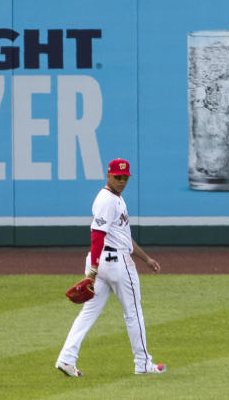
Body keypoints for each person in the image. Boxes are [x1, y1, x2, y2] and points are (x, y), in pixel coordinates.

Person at [56, 158, 167, 378]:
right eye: (118, 177)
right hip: (114, 266)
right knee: (134, 313)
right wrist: (93, 271)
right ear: (108, 175)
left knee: (88, 313)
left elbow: (123, 238)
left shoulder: (114, 199)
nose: (122, 181)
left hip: (103, 263)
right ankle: (143, 364)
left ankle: (66, 359)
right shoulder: (108, 200)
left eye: (125, 177)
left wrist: (146, 259)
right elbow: (97, 236)